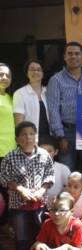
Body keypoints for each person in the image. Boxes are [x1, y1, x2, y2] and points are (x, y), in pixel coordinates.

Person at [0, 121, 54, 250]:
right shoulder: (9, 158)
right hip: (18, 206)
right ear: (17, 139)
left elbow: (50, 175)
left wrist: (42, 190)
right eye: (24, 135)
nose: (28, 137)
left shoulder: (44, 155)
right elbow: (3, 178)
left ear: (37, 137)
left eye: (31, 134)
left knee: (40, 237)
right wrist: (20, 189)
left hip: (39, 204)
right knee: (21, 238)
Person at [47, 41, 82, 173]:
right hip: (67, 132)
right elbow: (53, 109)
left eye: (77, 53)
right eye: (70, 54)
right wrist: (61, 136)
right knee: (67, 170)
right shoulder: (56, 80)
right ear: (64, 57)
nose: (73, 56)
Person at [13, 59, 50, 139]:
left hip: (50, 138)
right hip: (30, 139)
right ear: (27, 73)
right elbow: (19, 123)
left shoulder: (49, 92)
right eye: (32, 69)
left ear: (43, 74)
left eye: (39, 70)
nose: (36, 72)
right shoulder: (20, 93)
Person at [0, 62, 16, 226]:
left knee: (8, 192)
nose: (4, 77)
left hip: (10, 153)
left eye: (8, 75)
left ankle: (6, 226)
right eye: (1, 74)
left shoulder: (11, 98)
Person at [38, 136, 71, 208]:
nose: (45, 154)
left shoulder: (63, 168)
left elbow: (70, 188)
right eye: (42, 151)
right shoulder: (32, 167)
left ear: (56, 152)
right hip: (36, 207)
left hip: (57, 209)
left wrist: (60, 197)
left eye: (49, 151)